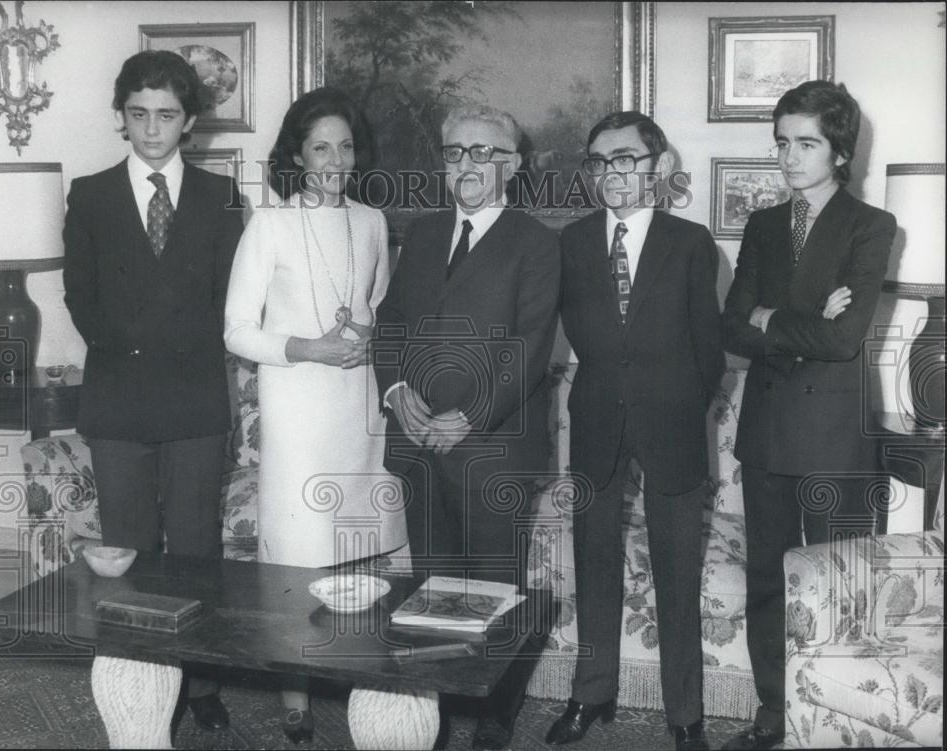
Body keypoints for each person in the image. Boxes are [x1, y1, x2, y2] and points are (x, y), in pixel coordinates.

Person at [62, 50, 245, 732]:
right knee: (127, 550)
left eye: (166, 116)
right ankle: (137, 688)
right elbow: (79, 294)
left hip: (196, 398)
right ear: (122, 117)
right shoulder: (90, 193)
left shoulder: (221, 195)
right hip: (118, 398)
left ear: (188, 122)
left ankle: (199, 682)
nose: (151, 129)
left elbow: (231, 299)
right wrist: (129, 348)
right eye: (137, 114)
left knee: (196, 550)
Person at [223, 86, 409, 744]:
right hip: (298, 404)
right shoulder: (270, 223)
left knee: (356, 547)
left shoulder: (371, 220)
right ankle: (295, 690)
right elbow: (238, 331)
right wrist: (308, 346)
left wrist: (354, 338)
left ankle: (357, 670)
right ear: (297, 155)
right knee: (301, 548)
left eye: (346, 146)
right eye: (320, 146)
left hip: (355, 404)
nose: (335, 159)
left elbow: (375, 301)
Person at [374, 104, 561, 751]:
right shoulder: (422, 233)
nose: (467, 164)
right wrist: (396, 391)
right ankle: (439, 707)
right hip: (420, 446)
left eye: (483, 152)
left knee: (492, 588)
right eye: (456, 151)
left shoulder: (537, 242)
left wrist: (471, 414)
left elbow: (531, 347)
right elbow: (390, 323)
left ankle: (494, 717)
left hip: (493, 448)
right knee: (435, 589)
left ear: (510, 164)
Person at [722, 81, 896, 750]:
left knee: (835, 585)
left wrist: (774, 320)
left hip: (833, 440)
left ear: (840, 150)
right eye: (782, 143)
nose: (789, 158)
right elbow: (731, 328)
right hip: (764, 434)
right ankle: (773, 715)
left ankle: (833, 723)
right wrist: (799, 320)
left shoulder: (871, 226)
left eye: (807, 143)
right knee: (766, 580)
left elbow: (844, 337)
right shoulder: (763, 226)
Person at [545, 112, 724, 751]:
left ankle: (684, 716)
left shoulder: (692, 241)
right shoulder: (569, 243)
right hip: (594, 421)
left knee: (677, 575)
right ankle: (590, 695)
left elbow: (709, 347)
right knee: (592, 564)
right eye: (598, 161)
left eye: (625, 158)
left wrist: (676, 403)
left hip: (672, 424)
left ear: (659, 165)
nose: (611, 173)